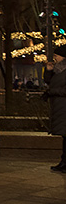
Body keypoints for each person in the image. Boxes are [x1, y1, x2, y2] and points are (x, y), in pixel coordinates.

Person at [42, 45, 66, 173]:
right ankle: (63, 162)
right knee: (65, 137)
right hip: (60, 107)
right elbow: (48, 82)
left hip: (63, 107)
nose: (54, 58)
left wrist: (52, 92)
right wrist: (49, 70)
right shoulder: (58, 70)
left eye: (57, 55)